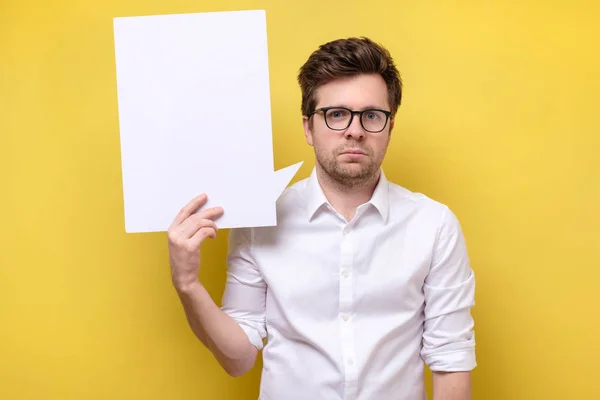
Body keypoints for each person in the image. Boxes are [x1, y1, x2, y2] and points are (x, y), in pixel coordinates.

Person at [167, 37, 476, 400]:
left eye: (372, 115)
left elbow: (450, 359)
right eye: (336, 114)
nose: (355, 130)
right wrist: (188, 283)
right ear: (308, 128)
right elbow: (238, 359)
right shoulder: (259, 220)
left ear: (390, 128)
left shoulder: (434, 225)